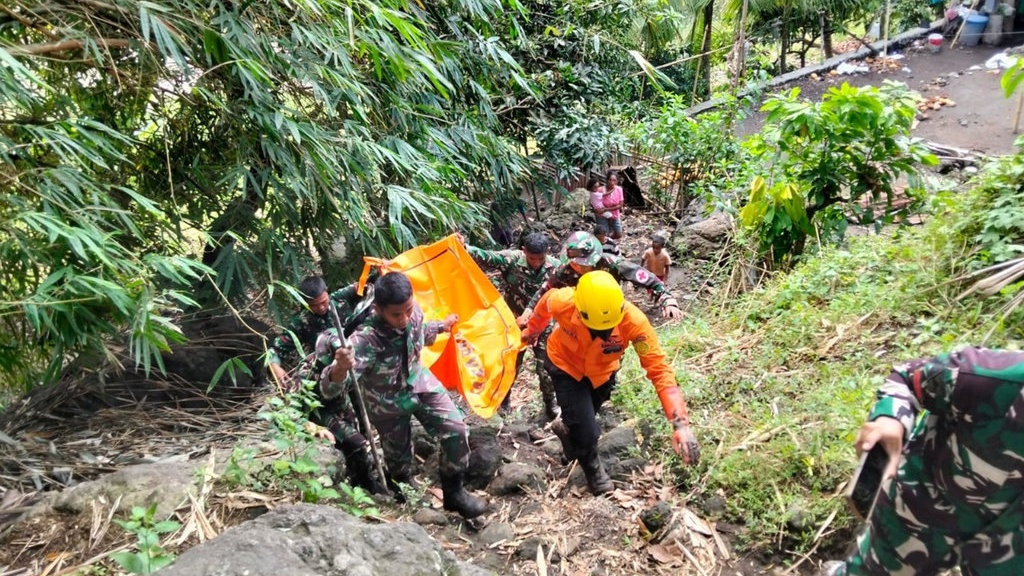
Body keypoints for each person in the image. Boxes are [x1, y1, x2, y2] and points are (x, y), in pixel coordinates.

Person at [821, 346, 1024, 576]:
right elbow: (907, 380)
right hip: (919, 515)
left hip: (1009, 552)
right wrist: (890, 419)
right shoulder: (992, 377)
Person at [321, 272, 489, 519]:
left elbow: (420, 331)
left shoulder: (414, 312)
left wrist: (442, 326)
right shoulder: (365, 340)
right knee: (399, 461)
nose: (404, 318)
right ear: (378, 309)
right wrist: (340, 368)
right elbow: (330, 388)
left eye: (408, 310)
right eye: (396, 315)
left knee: (456, 430)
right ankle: (404, 493)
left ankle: (454, 494)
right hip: (386, 402)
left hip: (419, 383)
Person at [521, 271, 700, 495]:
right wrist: (532, 330)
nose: (603, 334)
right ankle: (594, 471)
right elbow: (544, 304)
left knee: (583, 417)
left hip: (602, 373)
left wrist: (680, 425)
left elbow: (659, 369)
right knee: (587, 431)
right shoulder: (564, 301)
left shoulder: (634, 321)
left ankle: (569, 430)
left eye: (608, 328)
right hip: (565, 366)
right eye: (596, 328)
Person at [267, 276, 381, 493]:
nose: (321, 308)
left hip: (350, 371)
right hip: (323, 376)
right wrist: (275, 366)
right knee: (348, 436)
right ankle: (359, 476)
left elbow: (367, 282)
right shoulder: (302, 326)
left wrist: (378, 272)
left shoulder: (339, 300)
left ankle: (365, 463)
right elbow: (275, 350)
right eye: (314, 305)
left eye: (323, 302)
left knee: (361, 419)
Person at [461, 232, 562, 419]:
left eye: (541, 258)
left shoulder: (556, 268)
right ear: (524, 251)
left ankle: (550, 404)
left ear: (547, 252)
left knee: (546, 367)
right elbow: (487, 256)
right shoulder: (512, 260)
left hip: (544, 325)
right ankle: (503, 400)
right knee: (510, 364)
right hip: (513, 323)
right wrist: (465, 247)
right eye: (532, 258)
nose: (537, 263)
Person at [522, 231, 685, 322]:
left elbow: (647, 278)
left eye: (585, 263)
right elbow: (545, 289)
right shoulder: (564, 270)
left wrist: (667, 299)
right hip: (580, 316)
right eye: (576, 263)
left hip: (611, 313)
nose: (580, 267)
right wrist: (528, 311)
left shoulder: (611, 263)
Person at [640, 234, 671, 301]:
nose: (655, 250)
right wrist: (641, 268)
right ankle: (651, 296)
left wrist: (665, 279)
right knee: (650, 286)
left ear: (662, 247)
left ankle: (656, 301)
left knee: (658, 289)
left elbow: (667, 267)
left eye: (657, 248)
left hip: (659, 275)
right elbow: (643, 259)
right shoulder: (648, 252)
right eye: (653, 247)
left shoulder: (665, 255)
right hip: (650, 273)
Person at [595, 170, 624, 240]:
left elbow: (620, 205)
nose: (612, 182)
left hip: (614, 214)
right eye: (610, 180)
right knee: (604, 234)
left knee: (619, 234)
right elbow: (593, 201)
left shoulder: (619, 189)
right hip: (602, 214)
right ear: (607, 180)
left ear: (617, 181)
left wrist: (607, 209)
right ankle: (605, 244)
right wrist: (597, 210)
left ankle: (609, 239)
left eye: (614, 180)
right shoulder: (600, 190)